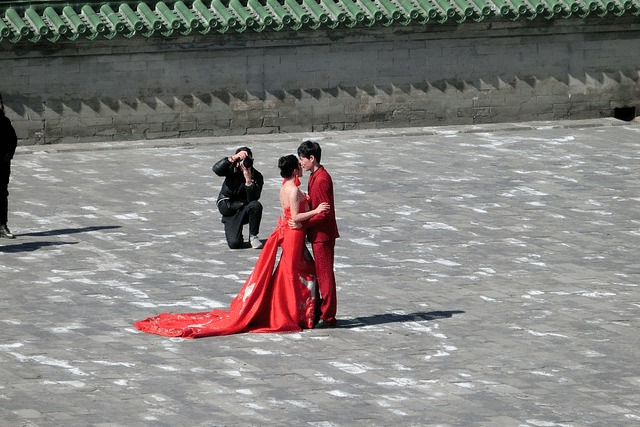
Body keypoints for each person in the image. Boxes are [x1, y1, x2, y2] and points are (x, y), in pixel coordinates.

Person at [134, 155, 330, 338]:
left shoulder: (285, 188)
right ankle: (296, 313)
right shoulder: (294, 190)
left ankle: (298, 312)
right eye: (298, 166)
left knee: (291, 273)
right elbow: (294, 218)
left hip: (289, 234)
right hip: (294, 236)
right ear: (295, 170)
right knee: (297, 273)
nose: (301, 167)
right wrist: (316, 210)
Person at [294, 141, 340, 329]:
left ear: (312, 158)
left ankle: (328, 316)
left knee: (325, 276)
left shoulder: (321, 179)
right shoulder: (315, 176)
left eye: (303, 159)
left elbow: (324, 212)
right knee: (322, 274)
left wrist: (304, 223)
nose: (301, 163)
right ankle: (323, 310)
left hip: (323, 235)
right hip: (318, 234)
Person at [212, 147, 264, 249]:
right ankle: (234, 230)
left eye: (247, 160)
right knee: (234, 244)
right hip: (230, 209)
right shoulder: (231, 169)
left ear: (252, 160)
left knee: (256, 205)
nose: (244, 163)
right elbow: (216, 169)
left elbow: (254, 198)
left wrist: (248, 180)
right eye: (241, 160)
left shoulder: (257, 176)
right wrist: (232, 159)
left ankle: (253, 236)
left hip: (245, 208)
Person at [0, 94, 17, 239]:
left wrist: (7, 157)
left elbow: (12, 141)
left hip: (1, 166)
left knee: (1, 194)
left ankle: (2, 226)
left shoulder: (4, 122)